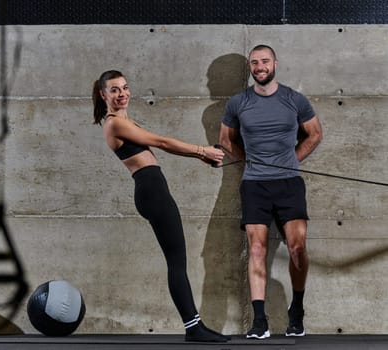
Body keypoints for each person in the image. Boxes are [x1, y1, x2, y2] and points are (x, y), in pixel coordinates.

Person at [93, 70, 229, 342]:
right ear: (103, 95)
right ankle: (193, 328)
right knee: (176, 263)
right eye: (115, 90)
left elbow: (163, 147)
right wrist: (203, 151)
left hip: (152, 190)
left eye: (125, 87)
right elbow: (162, 142)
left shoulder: (124, 121)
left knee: (178, 261)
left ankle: (196, 325)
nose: (122, 94)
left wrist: (201, 157)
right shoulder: (114, 124)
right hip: (151, 192)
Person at [219, 45, 323, 339]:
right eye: (254, 62)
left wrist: (292, 160)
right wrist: (249, 161)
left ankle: (297, 310)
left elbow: (315, 133)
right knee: (256, 249)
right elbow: (225, 140)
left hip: (289, 184)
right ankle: (260, 320)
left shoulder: (294, 99)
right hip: (254, 184)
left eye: (264, 61)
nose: (259, 66)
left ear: (275, 63)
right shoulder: (238, 102)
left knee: (298, 248)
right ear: (251, 67)